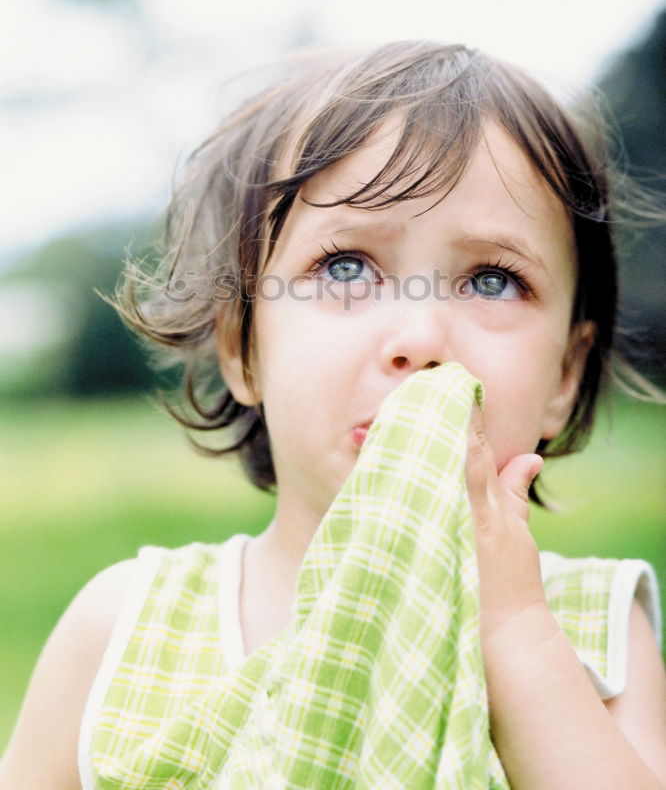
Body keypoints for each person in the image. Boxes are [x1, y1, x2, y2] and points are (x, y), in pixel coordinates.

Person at [1, 41, 664, 788]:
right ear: (241, 347)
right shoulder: (121, 629)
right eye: (346, 266)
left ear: (566, 375)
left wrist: (516, 640)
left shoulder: (596, 633)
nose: (420, 338)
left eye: (491, 279)